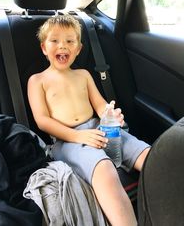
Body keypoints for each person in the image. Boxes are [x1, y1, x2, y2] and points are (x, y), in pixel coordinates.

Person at [27, 14, 150, 226]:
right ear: (44, 48)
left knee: (148, 155)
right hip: (67, 140)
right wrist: (77, 135)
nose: (62, 46)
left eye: (69, 41)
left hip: (98, 128)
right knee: (104, 169)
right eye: (54, 41)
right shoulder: (37, 80)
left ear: (78, 49)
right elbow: (42, 121)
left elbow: (100, 104)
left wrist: (109, 114)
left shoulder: (83, 74)